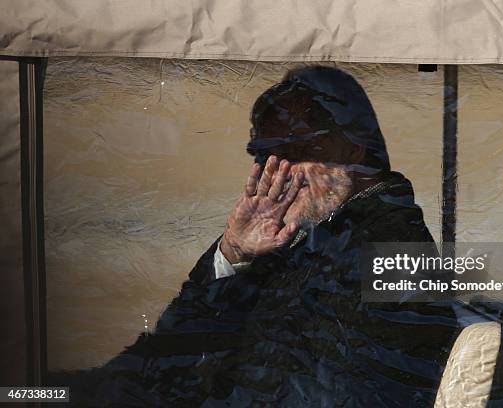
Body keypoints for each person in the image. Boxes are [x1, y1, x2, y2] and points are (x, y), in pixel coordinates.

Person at [59, 66, 459, 407]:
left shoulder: (392, 251)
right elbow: (174, 348)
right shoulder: (303, 233)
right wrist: (233, 254)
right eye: (264, 155)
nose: (276, 170)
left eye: (294, 150)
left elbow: (353, 389)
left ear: (352, 150)